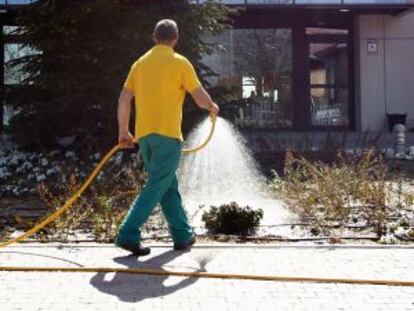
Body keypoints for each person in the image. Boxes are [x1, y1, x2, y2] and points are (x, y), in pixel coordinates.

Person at [115, 19, 219, 256]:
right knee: (156, 185)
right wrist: (212, 107)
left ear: (154, 37)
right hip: (168, 135)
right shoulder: (179, 62)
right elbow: (199, 96)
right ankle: (127, 233)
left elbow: (124, 98)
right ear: (175, 38)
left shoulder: (140, 64)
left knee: (166, 184)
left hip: (145, 138)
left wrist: (124, 130)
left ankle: (182, 235)